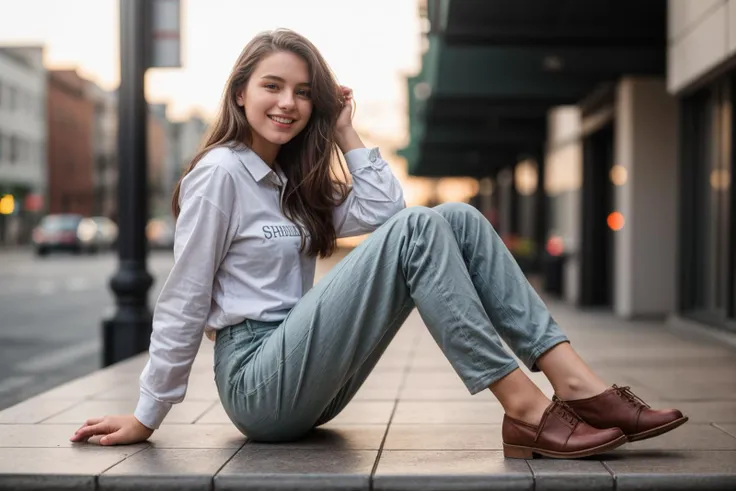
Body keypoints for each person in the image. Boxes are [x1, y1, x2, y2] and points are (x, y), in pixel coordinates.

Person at [70, 28, 687, 459]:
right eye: (272, 86)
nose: (288, 102)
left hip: (313, 374)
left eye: (304, 91)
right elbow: (183, 295)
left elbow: (386, 208)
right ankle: (526, 410)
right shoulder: (220, 173)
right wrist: (147, 414)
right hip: (258, 381)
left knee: (457, 217)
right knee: (422, 227)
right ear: (239, 92)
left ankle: (577, 385)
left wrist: (346, 129)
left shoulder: (290, 179)